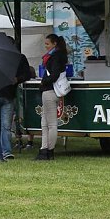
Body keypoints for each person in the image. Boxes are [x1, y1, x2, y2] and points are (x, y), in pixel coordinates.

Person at [0, 39, 33, 160]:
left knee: (4, 125)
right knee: (0, 125)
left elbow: (27, 74)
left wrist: (17, 79)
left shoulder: (19, 58)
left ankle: (5, 151)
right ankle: (0, 151)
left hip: (7, 95)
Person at [36, 33, 67, 161]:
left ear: (54, 44)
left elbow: (54, 75)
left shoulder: (55, 57)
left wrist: (44, 81)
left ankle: (49, 150)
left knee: (50, 124)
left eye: (47, 44)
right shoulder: (60, 56)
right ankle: (44, 149)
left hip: (50, 91)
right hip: (53, 91)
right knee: (45, 123)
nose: (46, 46)